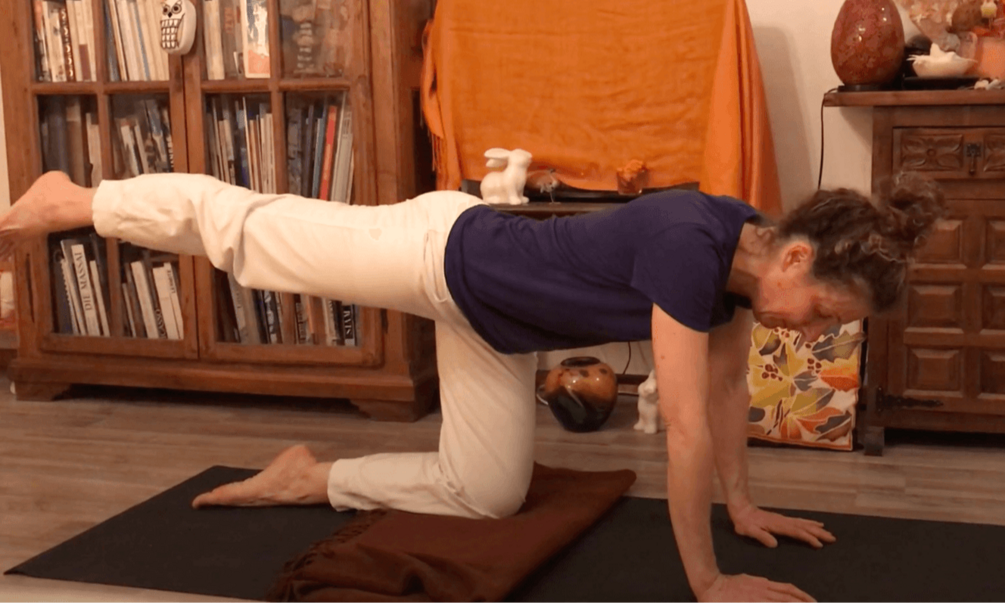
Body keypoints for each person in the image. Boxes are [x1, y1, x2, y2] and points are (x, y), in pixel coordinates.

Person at [0, 169, 944, 603]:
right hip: (437, 251)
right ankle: (76, 198)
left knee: (486, 492)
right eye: (822, 309)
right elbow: (687, 428)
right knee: (253, 234)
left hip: (494, 323)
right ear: (793, 256)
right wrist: (707, 581)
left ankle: (309, 477)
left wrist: (742, 506)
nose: (811, 331)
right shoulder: (689, 240)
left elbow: (730, 393)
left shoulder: (740, 270)